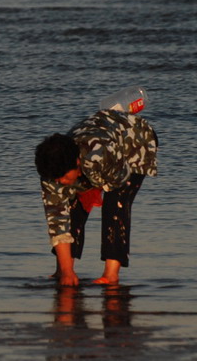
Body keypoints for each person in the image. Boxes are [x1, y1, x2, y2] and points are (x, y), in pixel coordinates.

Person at [34, 109, 157, 286]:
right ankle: (64, 270)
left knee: (115, 203)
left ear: (76, 163)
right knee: (72, 206)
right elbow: (57, 222)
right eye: (56, 179)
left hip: (135, 144)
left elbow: (119, 181)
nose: (59, 182)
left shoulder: (97, 155)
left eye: (62, 177)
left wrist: (93, 191)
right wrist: (67, 272)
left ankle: (110, 275)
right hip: (100, 145)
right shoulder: (51, 171)